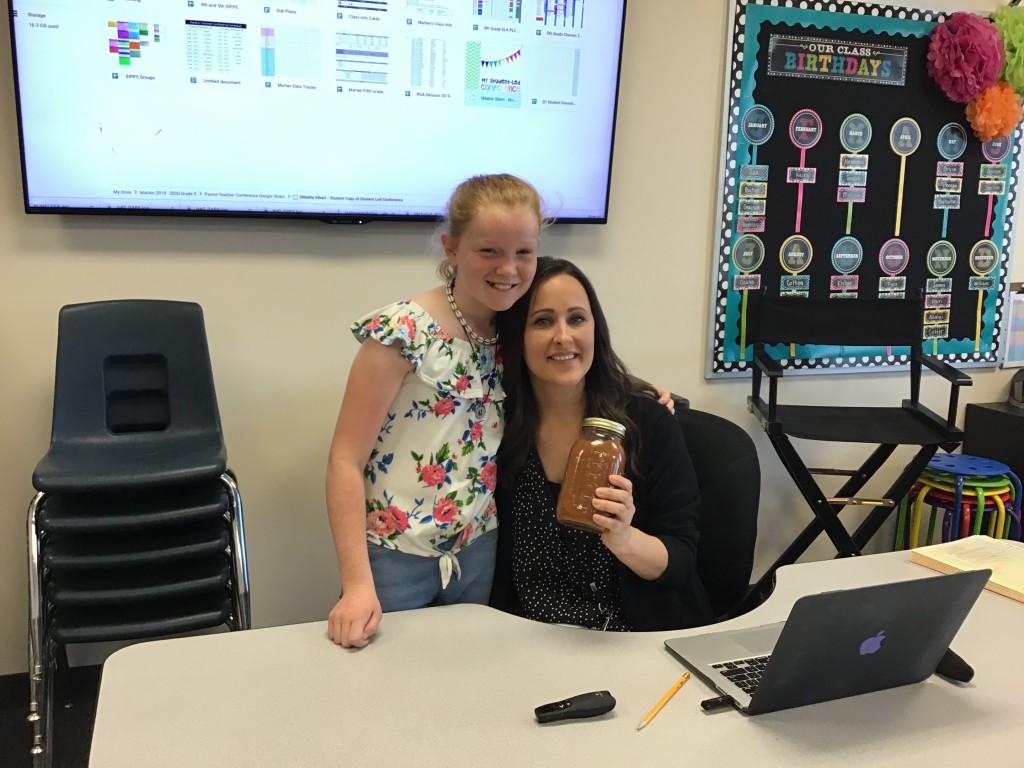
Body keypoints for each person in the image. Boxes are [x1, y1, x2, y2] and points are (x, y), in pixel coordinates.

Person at [326, 173, 544, 648]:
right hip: (393, 557)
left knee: (464, 674)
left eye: (524, 252)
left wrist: (640, 391)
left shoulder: (517, 330)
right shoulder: (403, 332)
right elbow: (345, 460)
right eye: (489, 250)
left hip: (478, 549)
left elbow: (576, 363)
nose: (508, 268)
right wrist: (358, 584)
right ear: (452, 249)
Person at [489, 257, 714, 631]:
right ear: (516, 336)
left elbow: (680, 562)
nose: (564, 336)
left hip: (631, 637)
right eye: (542, 321)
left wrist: (625, 539)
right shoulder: (496, 427)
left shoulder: (647, 422)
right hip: (528, 640)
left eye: (577, 318)